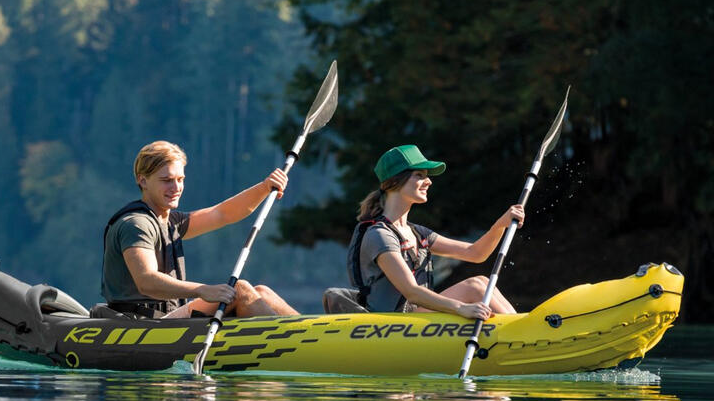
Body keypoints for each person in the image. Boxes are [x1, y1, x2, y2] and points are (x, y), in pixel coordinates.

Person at [101, 140, 298, 319]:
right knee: (241, 290)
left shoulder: (170, 221)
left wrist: (264, 188)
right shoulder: (136, 225)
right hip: (142, 327)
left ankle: (317, 332)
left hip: (166, 319)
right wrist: (201, 290)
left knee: (262, 292)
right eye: (167, 180)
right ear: (143, 181)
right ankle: (295, 348)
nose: (176, 187)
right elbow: (147, 280)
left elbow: (223, 213)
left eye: (180, 179)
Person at [347, 144, 524, 319]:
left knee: (484, 283)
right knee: (474, 287)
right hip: (389, 324)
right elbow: (412, 292)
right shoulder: (379, 234)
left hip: (415, 318)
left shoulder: (418, 233)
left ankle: (522, 326)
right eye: (419, 175)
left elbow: (476, 253)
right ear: (395, 181)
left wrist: (500, 225)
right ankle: (521, 334)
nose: (429, 181)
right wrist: (461, 307)